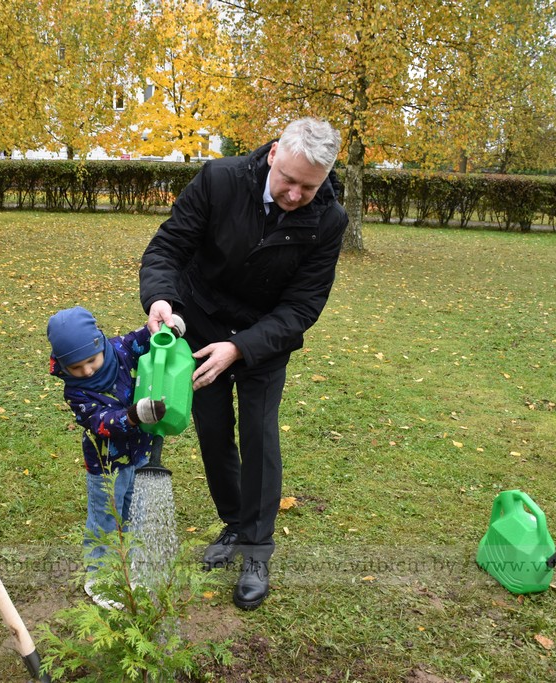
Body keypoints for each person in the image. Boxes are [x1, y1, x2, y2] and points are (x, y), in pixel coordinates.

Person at [139, 117, 347, 610]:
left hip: (262, 339)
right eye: (289, 181)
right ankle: (234, 523)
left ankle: (257, 551)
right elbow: (168, 247)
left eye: (309, 187)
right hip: (200, 325)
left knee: (258, 434)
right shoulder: (219, 180)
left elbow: (302, 307)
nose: (296, 195)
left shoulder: (328, 220)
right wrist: (162, 298)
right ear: (273, 153)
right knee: (212, 430)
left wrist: (243, 347)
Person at [47, 306, 183, 609]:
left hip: (141, 454)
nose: (87, 371)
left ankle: (130, 566)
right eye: (76, 367)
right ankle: (100, 576)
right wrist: (134, 416)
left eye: (91, 361)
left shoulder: (121, 349)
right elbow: (101, 422)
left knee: (134, 511)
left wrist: (168, 331)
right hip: (105, 467)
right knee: (105, 519)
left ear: (100, 343)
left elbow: (146, 339)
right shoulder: (76, 392)